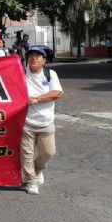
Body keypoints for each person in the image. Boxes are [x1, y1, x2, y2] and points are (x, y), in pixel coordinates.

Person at [21, 46, 63, 195]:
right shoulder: (20, 74)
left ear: (44, 60)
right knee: (26, 154)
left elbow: (57, 93)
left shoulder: (50, 74)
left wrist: (37, 99)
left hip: (46, 122)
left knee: (48, 153)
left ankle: (37, 169)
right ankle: (30, 181)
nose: (33, 58)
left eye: (38, 56)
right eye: (31, 55)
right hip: (26, 122)